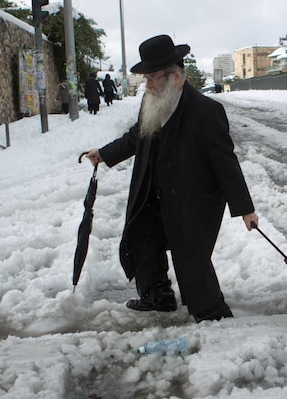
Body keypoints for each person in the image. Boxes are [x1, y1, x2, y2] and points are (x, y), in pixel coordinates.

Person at [83, 34, 259, 323]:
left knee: (189, 254)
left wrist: (245, 209)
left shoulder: (206, 111)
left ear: (175, 77)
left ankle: (211, 310)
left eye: (152, 79)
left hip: (193, 197)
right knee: (142, 235)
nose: (148, 86)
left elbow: (226, 162)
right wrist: (104, 153)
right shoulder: (151, 101)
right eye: (146, 80)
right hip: (154, 191)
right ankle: (157, 295)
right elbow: (137, 136)